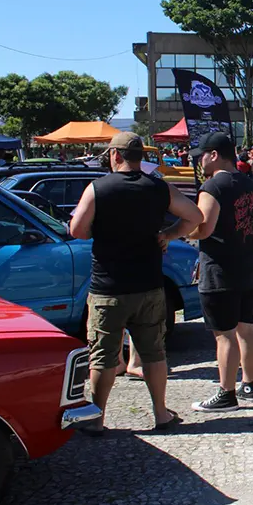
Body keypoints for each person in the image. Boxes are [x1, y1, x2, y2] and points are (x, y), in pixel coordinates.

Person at [69, 132, 203, 434]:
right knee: (154, 353)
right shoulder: (158, 187)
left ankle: (97, 419)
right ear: (140, 156)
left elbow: (77, 230)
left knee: (103, 356)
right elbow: (195, 216)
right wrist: (168, 234)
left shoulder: (98, 188)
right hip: (149, 285)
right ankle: (161, 415)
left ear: (115, 155)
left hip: (108, 287)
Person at [188, 132, 253, 411]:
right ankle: (249, 385)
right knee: (246, 327)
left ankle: (226, 393)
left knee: (224, 334)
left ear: (214, 155)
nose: (199, 161)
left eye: (202, 155)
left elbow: (204, 227)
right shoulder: (248, 183)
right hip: (247, 263)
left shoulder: (212, 187)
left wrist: (183, 232)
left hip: (220, 268)